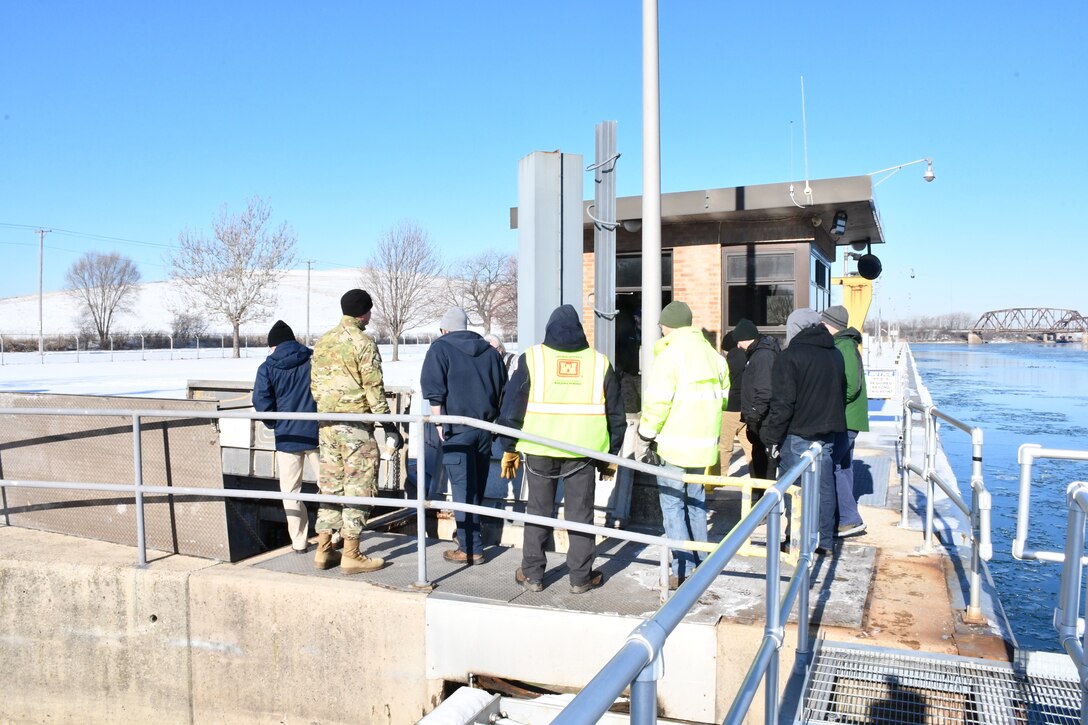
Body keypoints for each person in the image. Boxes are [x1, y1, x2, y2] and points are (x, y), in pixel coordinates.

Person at [496, 304, 625, 594]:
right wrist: (611, 454)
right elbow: (616, 412)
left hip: (540, 449)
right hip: (584, 452)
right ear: (579, 329)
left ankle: (532, 575)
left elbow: (513, 405)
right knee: (581, 515)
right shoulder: (598, 362)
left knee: (538, 511)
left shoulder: (533, 358)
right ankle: (580, 577)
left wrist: (509, 446)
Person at [636, 301, 730, 588]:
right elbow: (723, 398)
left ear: (668, 325)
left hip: (674, 445)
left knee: (673, 506)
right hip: (703, 447)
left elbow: (658, 402)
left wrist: (646, 433)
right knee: (697, 503)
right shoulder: (713, 356)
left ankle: (682, 567)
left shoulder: (669, 355)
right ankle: (703, 562)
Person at [310, 289, 403, 575]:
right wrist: (389, 425)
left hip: (326, 426)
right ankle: (351, 553)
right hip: (355, 428)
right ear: (363, 312)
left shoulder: (323, 342)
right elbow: (373, 389)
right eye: (370, 310)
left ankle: (323, 549)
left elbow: (315, 385)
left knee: (330, 485)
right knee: (358, 486)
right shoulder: (363, 342)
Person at [422, 308, 507, 564]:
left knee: (461, 491)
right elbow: (502, 389)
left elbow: (434, 390)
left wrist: (439, 423)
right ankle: (466, 536)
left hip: (456, 430)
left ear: (445, 329)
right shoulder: (490, 352)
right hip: (484, 429)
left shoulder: (440, 349)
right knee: (476, 488)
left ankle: (472, 548)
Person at [759, 308, 846, 556]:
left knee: (794, 489)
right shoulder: (835, 354)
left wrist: (772, 438)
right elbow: (840, 392)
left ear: (794, 328)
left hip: (797, 433)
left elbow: (782, 403)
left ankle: (795, 538)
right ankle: (825, 540)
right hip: (827, 433)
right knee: (824, 487)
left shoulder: (789, 357)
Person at [252, 319, 318, 554]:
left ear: (273, 346)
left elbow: (261, 401)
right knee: (329, 486)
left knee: (291, 491)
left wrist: (274, 423)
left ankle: (299, 540)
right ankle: (333, 535)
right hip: (316, 434)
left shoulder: (266, 368)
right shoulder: (312, 361)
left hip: (287, 436)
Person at [821, 305, 869, 538]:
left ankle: (849, 519)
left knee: (833, 465)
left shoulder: (844, 347)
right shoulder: (846, 344)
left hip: (846, 418)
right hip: (850, 418)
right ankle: (845, 517)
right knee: (845, 466)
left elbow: (850, 386)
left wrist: (832, 402)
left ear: (830, 324)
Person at [732, 318, 780, 482]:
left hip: (762, 423)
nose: (738, 346)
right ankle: (761, 500)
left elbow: (764, 390)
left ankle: (763, 504)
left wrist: (754, 415)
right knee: (759, 463)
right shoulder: (758, 353)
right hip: (759, 421)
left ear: (746, 338)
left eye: (738, 341)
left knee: (764, 468)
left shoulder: (762, 355)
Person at [715, 331, 753, 476]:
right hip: (746, 408)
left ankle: (721, 476)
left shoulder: (726, 362)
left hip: (729, 409)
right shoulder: (749, 357)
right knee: (749, 445)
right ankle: (756, 474)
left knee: (725, 446)